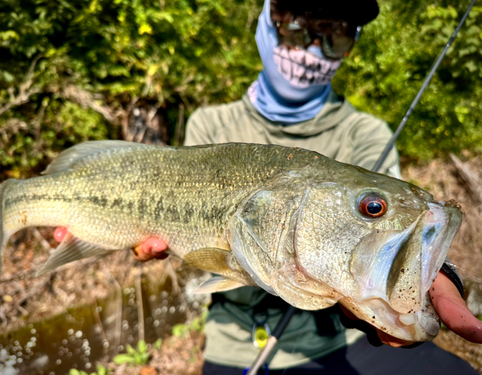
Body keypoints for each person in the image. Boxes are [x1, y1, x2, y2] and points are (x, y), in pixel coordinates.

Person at [56, 0, 482, 373]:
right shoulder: (210, 124)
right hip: (234, 342)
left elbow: (380, 246)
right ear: (265, 19)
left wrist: (431, 278)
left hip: (335, 341)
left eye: (335, 36)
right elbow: (195, 252)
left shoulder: (366, 135)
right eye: (295, 25)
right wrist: (122, 230)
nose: (313, 50)